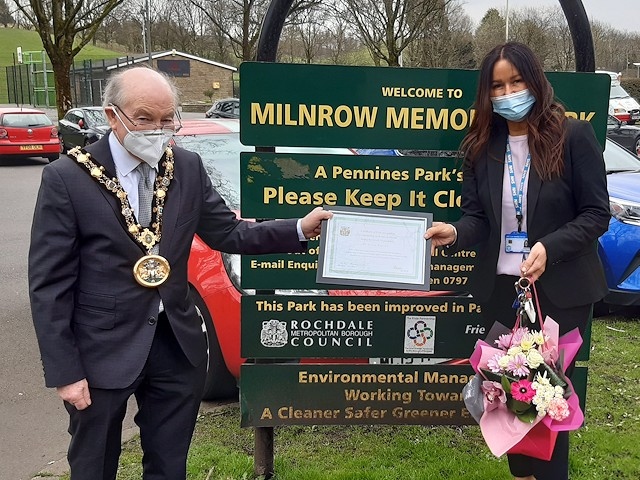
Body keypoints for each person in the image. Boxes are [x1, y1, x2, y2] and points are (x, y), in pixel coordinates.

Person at [28, 66, 331, 480]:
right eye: (145, 118)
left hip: (176, 346)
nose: (158, 129)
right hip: (99, 351)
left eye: (167, 118)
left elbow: (228, 231)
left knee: (170, 465)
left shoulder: (185, 167)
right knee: (93, 464)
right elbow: (49, 285)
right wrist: (65, 372)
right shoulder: (66, 178)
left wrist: (298, 228)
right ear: (112, 115)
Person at [425, 42, 610, 480]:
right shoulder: (480, 146)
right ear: (487, 94)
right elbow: (476, 218)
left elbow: (596, 214)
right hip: (504, 294)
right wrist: (454, 232)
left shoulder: (573, 136)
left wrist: (550, 246)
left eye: (517, 81)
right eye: (497, 85)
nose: (508, 92)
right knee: (508, 397)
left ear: (536, 81)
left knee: (548, 402)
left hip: (560, 295)